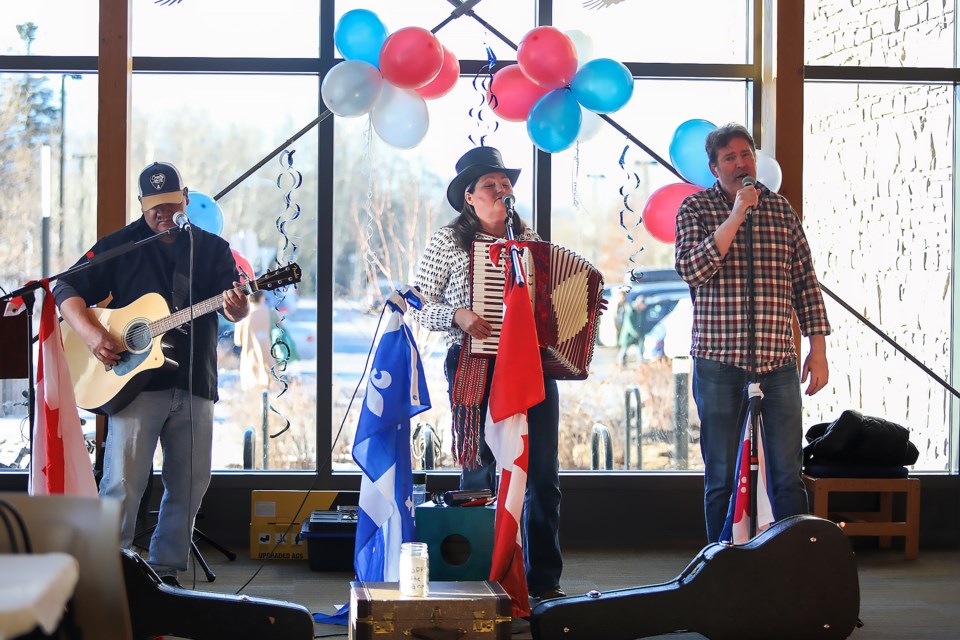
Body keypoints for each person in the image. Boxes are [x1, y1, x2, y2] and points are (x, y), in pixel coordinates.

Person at [53, 161, 249, 584]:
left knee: (191, 482)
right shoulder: (122, 244)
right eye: (153, 207)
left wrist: (239, 306)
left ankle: (165, 572)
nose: (162, 213)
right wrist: (89, 334)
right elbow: (64, 287)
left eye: (169, 204)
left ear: (185, 197)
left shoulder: (212, 248)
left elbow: (239, 301)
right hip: (134, 383)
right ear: (142, 205)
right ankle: (112, 570)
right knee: (122, 482)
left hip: (195, 380)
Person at [410, 146, 564, 601]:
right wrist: (456, 315)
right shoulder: (447, 241)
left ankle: (544, 582)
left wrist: (582, 308)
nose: (502, 190)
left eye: (505, 183)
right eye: (490, 185)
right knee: (478, 472)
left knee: (542, 474)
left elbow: (553, 301)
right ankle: (478, 576)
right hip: (473, 363)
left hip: (530, 367)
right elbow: (419, 300)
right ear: (469, 198)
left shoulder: (532, 242)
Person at [674, 124, 831, 543]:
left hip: (777, 362)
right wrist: (734, 216)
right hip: (718, 363)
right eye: (730, 157)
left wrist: (818, 348)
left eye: (746, 154)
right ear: (714, 167)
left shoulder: (780, 211)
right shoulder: (695, 210)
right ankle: (719, 566)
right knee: (721, 476)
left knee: (786, 474)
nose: (741, 163)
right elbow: (693, 270)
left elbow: (806, 284)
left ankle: (794, 564)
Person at [616, 295, 647, 366]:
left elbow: (642, 323)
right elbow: (629, 325)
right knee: (624, 349)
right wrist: (635, 333)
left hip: (637, 334)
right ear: (639, 304)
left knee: (639, 348)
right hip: (628, 334)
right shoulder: (631, 311)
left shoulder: (642, 313)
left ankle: (640, 363)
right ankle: (620, 362)